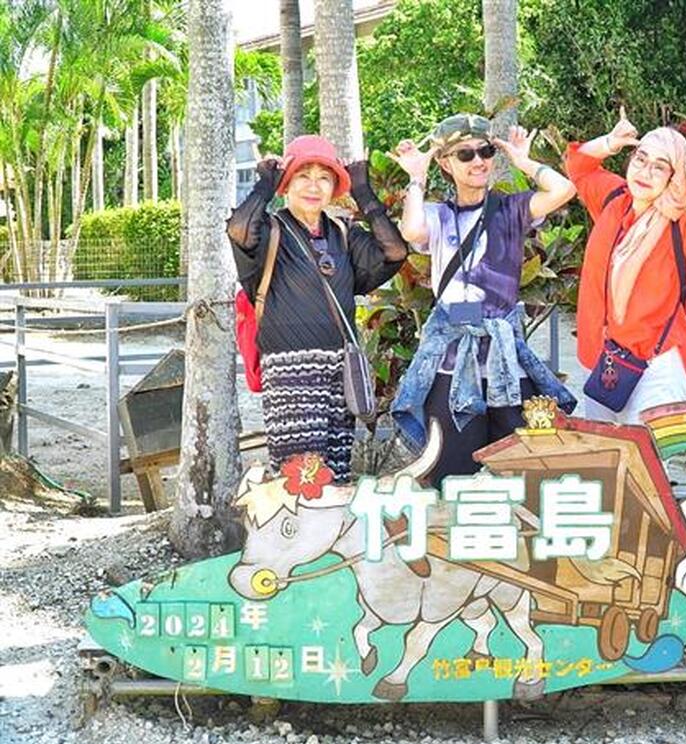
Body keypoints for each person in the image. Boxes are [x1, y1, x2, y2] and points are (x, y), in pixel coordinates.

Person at [389, 114, 578, 488]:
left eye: (486, 151)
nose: (478, 161)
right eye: (465, 154)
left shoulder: (511, 209)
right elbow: (411, 230)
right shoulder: (439, 215)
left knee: (520, 470)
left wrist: (524, 162)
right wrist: (416, 177)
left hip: (506, 360)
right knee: (452, 472)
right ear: (446, 163)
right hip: (451, 360)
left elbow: (563, 190)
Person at [227, 134, 409, 481]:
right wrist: (265, 185)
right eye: (303, 176)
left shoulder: (342, 233)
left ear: (333, 188)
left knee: (336, 476)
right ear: (287, 184)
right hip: (290, 374)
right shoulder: (269, 231)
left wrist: (363, 193)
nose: (314, 186)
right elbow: (239, 231)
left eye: (324, 177)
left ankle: (331, 522)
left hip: (340, 371)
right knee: (301, 480)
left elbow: (394, 252)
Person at [566, 108, 686, 425]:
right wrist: (610, 141)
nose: (645, 172)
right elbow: (578, 166)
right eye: (641, 159)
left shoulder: (682, 226)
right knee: (606, 452)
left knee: (648, 451)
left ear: (675, 177)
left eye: (660, 167)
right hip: (605, 361)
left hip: (658, 367)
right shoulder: (615, 200)